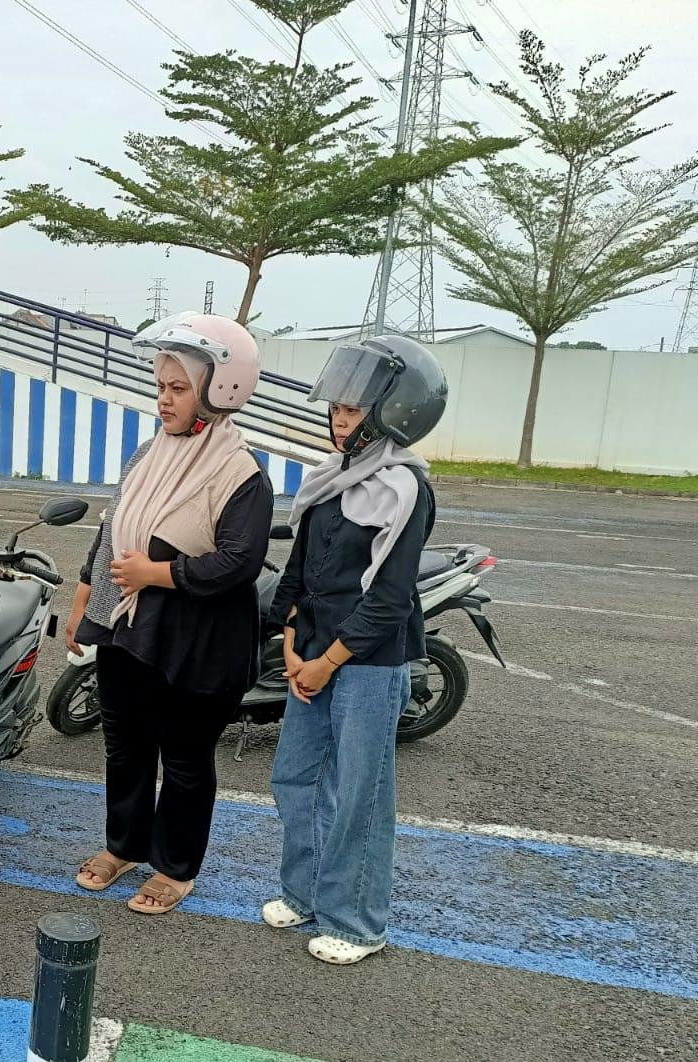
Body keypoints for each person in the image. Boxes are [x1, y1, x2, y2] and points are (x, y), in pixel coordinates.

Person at [66, 311, 272, 916]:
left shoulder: (240, 472)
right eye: (161, 387)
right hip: (127, 628)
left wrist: (159, 575)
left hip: (198, 640)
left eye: (178, 388)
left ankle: (176, 866)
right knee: (125, 747)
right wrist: (86, 592)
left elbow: (239, 561)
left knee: (184, 759)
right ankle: (123, 845)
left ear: (218, 390)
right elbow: (112, 527)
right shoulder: (145, 455)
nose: (164, 400)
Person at [263, 334, 448, 965]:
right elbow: (298, 572)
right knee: (295, 777)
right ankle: (306, 892)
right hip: (310, 650)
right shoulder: (328, 480)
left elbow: (391, 599)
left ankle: (358, 922)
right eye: (337, 408)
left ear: (391, 412)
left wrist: (326, 660)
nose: (340, 420)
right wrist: (290, 642)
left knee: (358, 792)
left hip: (368, 662)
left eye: (354, 410)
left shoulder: (403, 489)